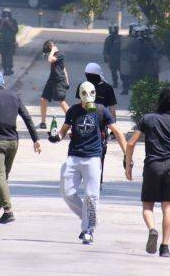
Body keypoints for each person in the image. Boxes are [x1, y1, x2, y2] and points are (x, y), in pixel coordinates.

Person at [48, 81, 128, 245]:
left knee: (92, 196)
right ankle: (89, 218)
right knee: (67, 192)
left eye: (90, 93)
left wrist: (127, 155)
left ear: (94, 94)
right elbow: (63, 131)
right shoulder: (73, 110)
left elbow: (118, 132)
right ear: (79, 95)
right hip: (74, 156)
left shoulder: (101, 110)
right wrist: (55, 137)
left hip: (93, 158)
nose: (87, 97)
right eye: (84, 93)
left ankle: (88, 229)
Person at [125, 87, 170, 258]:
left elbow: (130, 143)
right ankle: (165, 247)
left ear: (160, 101)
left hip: (152, 166)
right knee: (168, 206)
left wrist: (128, 165)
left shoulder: (147, 119)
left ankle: (152, 229)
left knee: (147, 205)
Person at [0, 70, 41, 224]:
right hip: (13, 142)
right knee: (3, 178)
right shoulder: (14, 95)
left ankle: (8, 211)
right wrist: (35, 139)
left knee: (0, 177)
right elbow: (26, 117)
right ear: (2, 82)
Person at [74, 63, 117, 189]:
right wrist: (113, 127)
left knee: (87, 150)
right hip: (100, 124)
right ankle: (97, 180)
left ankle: (90, 179)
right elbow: (113, 108)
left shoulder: (84, 86)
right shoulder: (107, 88)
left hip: (88, 123)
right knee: (100, 152)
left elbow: (79, 105)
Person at [39, 40, 70, 129]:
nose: (48, 53)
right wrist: (67, 81)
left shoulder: (59, 54)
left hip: (58, 80)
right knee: (43, 99)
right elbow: (63, 68)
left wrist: (52, 50)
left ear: (50, 47)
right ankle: (43, 122)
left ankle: (74, 120)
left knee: (61, 101)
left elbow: (50, 59)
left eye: (48, 50)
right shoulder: (55, 54)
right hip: (52, 79)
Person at [0, 8, 18, 76]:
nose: (6, 15)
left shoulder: (13, 21)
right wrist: (2, 23)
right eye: (5, 13)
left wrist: (9, 24)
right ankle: (5, 69)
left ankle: (9, 69)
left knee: (9, 56)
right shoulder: (0, 21)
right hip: (2, 41)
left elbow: (15, 30)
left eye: (7, 13)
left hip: (10, 41)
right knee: (3, 56)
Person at [119, 25, 137, 95]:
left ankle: (130, 88)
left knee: (134, 76)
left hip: (136, 61)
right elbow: (123, 48)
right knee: (125, 75)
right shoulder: (127, 39)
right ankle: (125, 89)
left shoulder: (139, 40)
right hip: (127, 60)